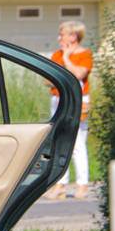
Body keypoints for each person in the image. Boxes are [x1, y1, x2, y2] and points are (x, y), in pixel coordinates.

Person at [46, 20, 93, 199]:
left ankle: (82, 184)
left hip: (79, 101)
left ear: (73, 36)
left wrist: (66, 59)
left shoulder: (84, 54)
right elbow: (48, 79)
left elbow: (80, 74)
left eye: (63, 34)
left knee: (78, 143)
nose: (59, 38)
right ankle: (61, 184)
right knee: (59, 142)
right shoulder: (56, 54)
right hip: (57, 99)